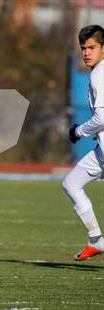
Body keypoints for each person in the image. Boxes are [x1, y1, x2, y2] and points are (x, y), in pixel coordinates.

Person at [63, 24, 104, 261]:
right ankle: (96, 239)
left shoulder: (100, 76)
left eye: (92, 47)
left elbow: (101, 118)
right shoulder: (96, 73)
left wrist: (78, 131)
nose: (86, 52)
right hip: (101, 153)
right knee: (71, 183)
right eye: (83, 48)